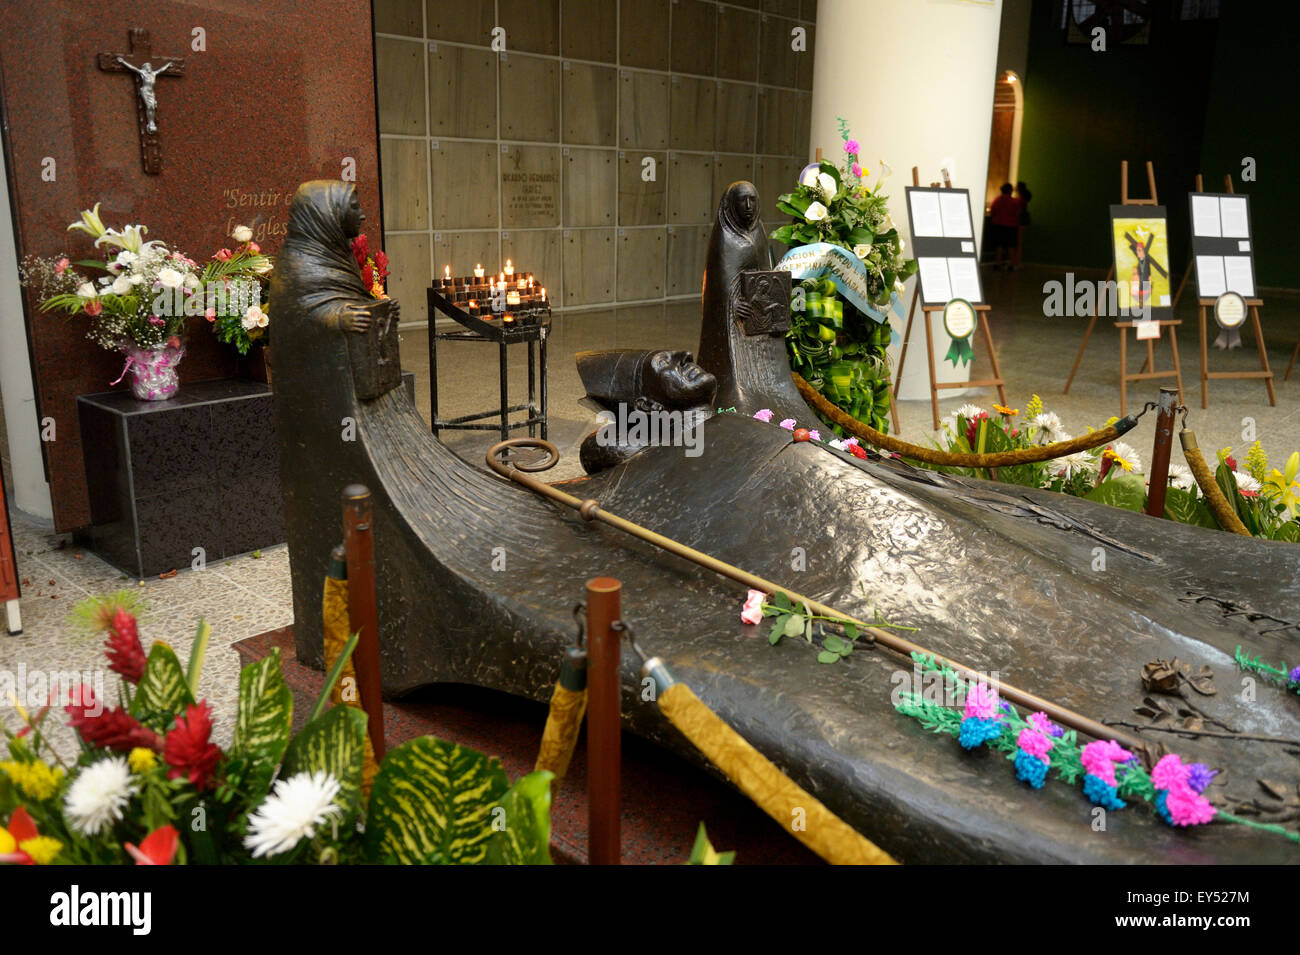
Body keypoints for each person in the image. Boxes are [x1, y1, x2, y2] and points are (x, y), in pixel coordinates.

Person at [988, 183, 1020, 271]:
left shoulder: (996, 200)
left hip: (998, 225)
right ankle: (1011, 265)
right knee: (1010, 246)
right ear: (1010, 191)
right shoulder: (1014, 201)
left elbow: (992, 211)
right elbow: (1017, 213)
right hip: (1010, 226)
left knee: (999, 245)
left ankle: (997, 264)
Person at [1013, 182, 1032, 268]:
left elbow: (1018, 211)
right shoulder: (1024, 198)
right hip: (1023, 221)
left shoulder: (1020, 199)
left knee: (1017, 243)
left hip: (1019, 221)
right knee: (1018, 243)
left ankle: (1016, 262)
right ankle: (1017, 262)